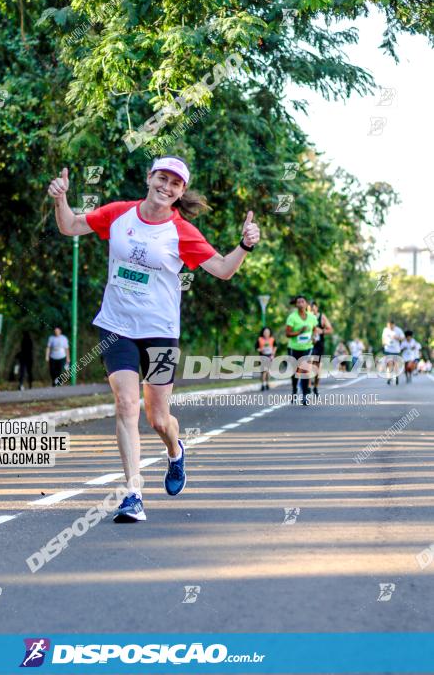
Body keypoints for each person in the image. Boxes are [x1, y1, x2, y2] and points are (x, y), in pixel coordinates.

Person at [47, 156, 260, 523]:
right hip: (117, 327)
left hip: (161, 332)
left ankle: (175, 452)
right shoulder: (119, 214)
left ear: (180, 192)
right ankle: (133, 494)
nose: (167, 187)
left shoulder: (182, 232)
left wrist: (245, 245)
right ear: (149, 178)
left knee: (158, 417)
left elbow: (224, 270)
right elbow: (68, 226)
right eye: (162, 178)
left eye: (175, 184)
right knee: (127, 405)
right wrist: (59, 198)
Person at [285, 296, 318, 405]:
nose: (300, 303)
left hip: (307, 347)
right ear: (296, 304)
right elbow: (288, 334)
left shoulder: (312, 317)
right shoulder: (292, 317)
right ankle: (294, 390)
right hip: (294, 348)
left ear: (306, 304)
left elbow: (315, 330)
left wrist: (314, 337)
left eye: (302, 301)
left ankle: (304, 396)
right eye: (298, 302)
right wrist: (299, 332)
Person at [310, 301, 333, 398]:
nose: (311, 309)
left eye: (313, 307)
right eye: (310, 308)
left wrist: (322, 331)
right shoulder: (306, 317)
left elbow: (330, 329)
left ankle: (315, 386)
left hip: (319, 345)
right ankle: (308, 385)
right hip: (308, 344)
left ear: (317, 308)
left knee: (317, 368)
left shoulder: (321, 317)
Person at [382, 319, 404, 385]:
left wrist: (397, 337)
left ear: (393, 324)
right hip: (388, 350)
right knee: (389, 364)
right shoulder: (385, 330)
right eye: (388, 325)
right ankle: (389, 377)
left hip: (396, 350)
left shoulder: (398, 330)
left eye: (391, 325)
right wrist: (384, 343)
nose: (390, 327)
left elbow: (403, 338)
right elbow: (383, 339)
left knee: (395, 363)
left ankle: (396, 376)